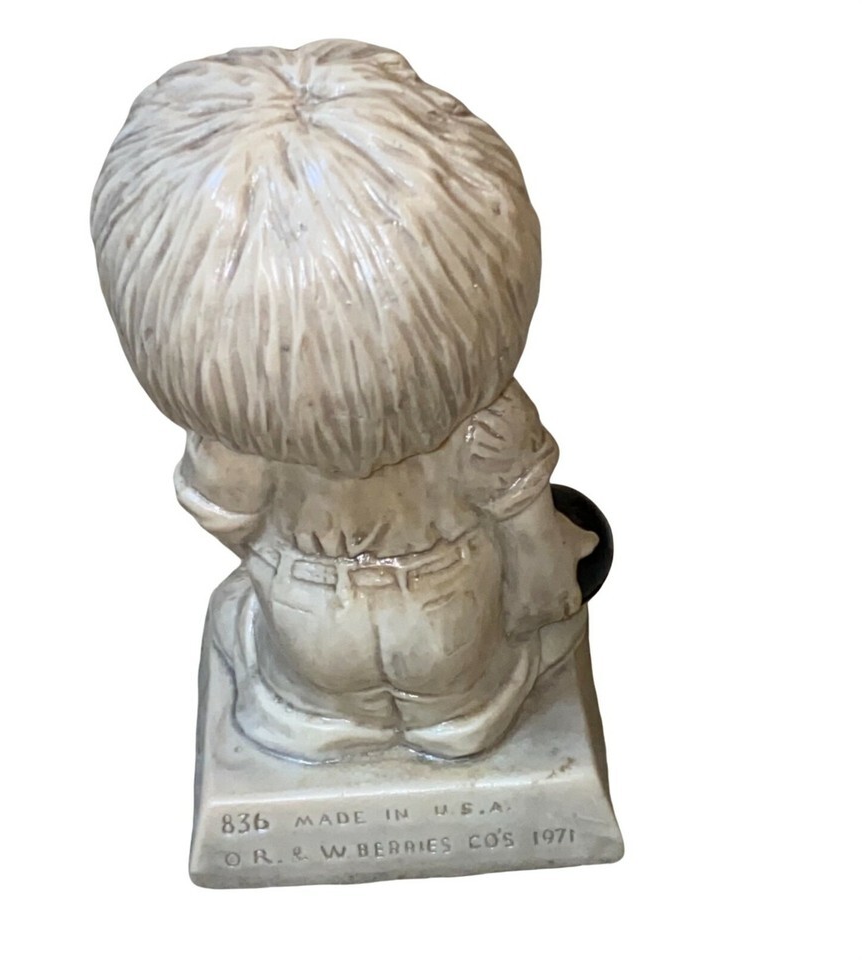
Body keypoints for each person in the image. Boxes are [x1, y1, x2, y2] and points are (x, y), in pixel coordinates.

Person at [91, 39, 596, 760]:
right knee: (465, 695)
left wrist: (278, 562)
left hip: (309, 605)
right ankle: (463, 716)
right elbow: (525, 525)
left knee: (297, 683)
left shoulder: (236, 438)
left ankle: (319, 717)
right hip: (448, 596)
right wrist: (543, 593)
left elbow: (225, 513)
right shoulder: (486, 420)